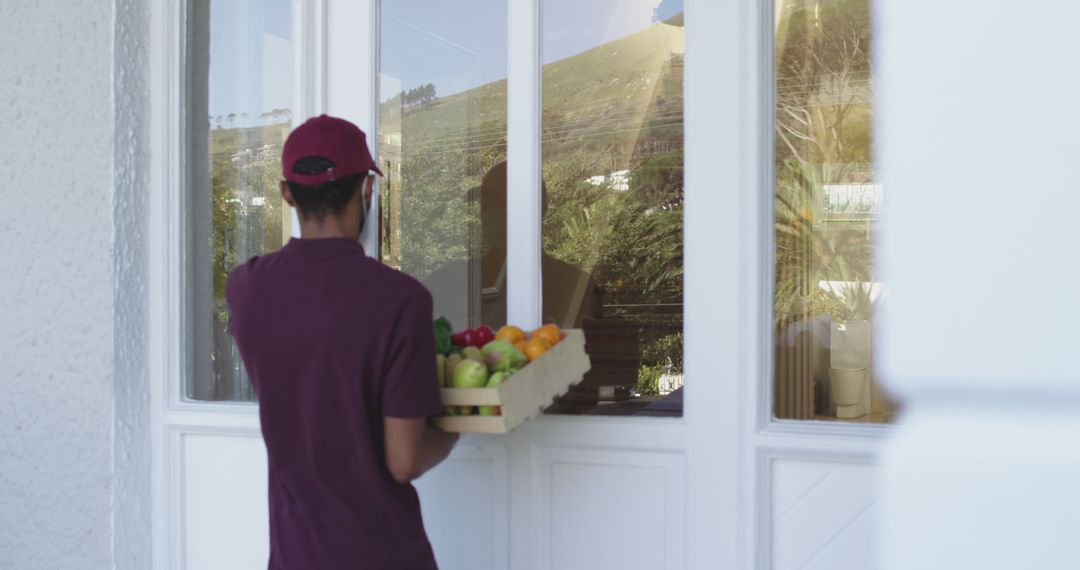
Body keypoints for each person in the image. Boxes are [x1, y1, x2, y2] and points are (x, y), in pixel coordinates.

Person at [226, 115, 458, 569]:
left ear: (286, 192)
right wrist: (459, 424)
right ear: (367, 190)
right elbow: (403, 461)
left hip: (295, 556)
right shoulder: (401, 300)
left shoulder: (247, 288)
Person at [422, 161, 600, 332]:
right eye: (486, 204)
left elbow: (583, 355)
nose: (491, 212)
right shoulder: (454, 278)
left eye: (502, 202)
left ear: (535, 211)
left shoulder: (573, 286)